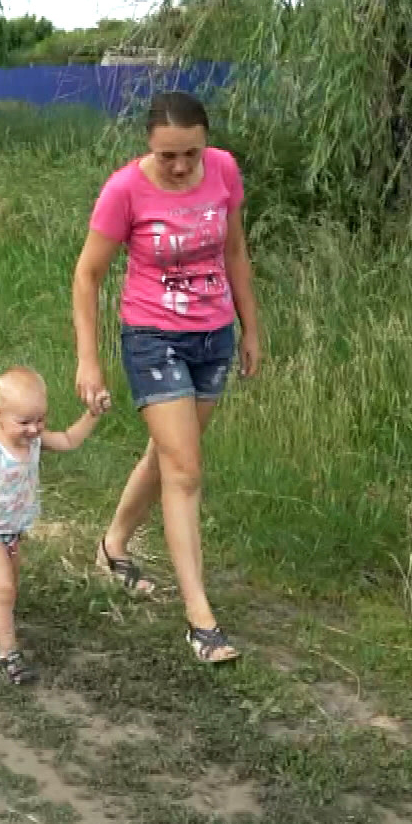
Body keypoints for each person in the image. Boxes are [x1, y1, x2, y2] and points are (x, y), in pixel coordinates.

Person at [71, 90, 263, 664]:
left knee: (168, 454)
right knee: (184, 468)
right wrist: (88, 358)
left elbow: (234, 253)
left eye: (190, 154)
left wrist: (250, 329)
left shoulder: (224, 170)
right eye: (167, 156)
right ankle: (200, 618)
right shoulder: (124, 189)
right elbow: (88, 276)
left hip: (214, 337)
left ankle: (113, 546)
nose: (181, 167)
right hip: (152, 336)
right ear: (148, 146)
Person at [0, 366, 103, 684]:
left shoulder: (36, 441)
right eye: (24, 422)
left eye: (40, 420)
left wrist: (92, 414)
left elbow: (69, 439)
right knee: (3, 589)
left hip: (12, 530)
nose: (33, 429)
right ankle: (8, 655)